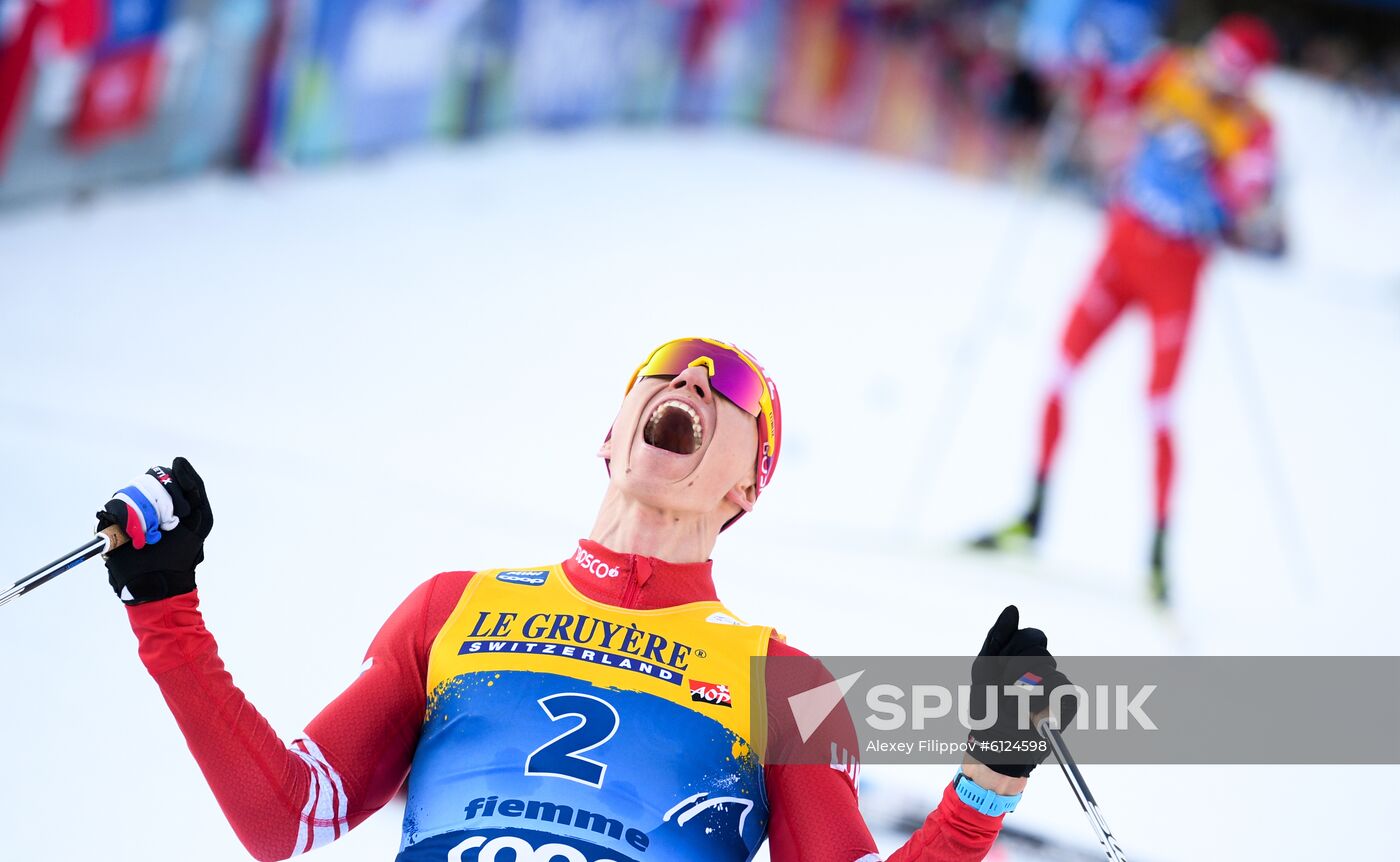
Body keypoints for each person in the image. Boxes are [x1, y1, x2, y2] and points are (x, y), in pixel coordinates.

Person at [100, 337, 1074, 861]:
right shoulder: (451, 608)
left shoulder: (784, 680)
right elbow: (288, 816)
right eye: (668, 365)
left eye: (729, 382)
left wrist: (990, 774)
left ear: (744, 485)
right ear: (609, 436)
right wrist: (164, 602)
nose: (694, 374)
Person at [973, 16, 1283, 605]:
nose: (1219, 80)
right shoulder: (1172, 73)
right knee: (1060, 371)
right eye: (1217, 64)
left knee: (1160, 406)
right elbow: (1109, 90)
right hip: (1123, 249)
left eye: (1234, 76)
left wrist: (1214, 161)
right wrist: (1088, 62)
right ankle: (1033, 512)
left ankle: (1159, 554)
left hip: (1177, 268)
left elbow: (1248, 196)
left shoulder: (1255, 126)